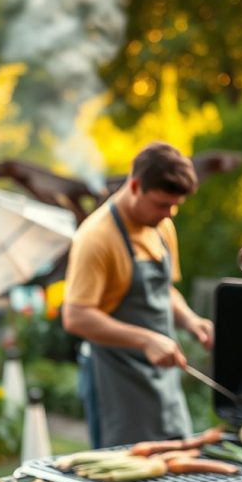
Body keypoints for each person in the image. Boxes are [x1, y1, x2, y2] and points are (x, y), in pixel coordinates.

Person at [63, 141, 214, 449]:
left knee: (178, 462)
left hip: (163, 376)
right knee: (128, 476)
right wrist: (145, 339)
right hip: (116, 380)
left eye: (175, 206)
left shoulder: (161, 226)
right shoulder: (96, 238)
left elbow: (164, 290)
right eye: (161, 204)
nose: (169, 213)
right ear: (135, 186)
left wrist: (190, 320)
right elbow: (75, 316)